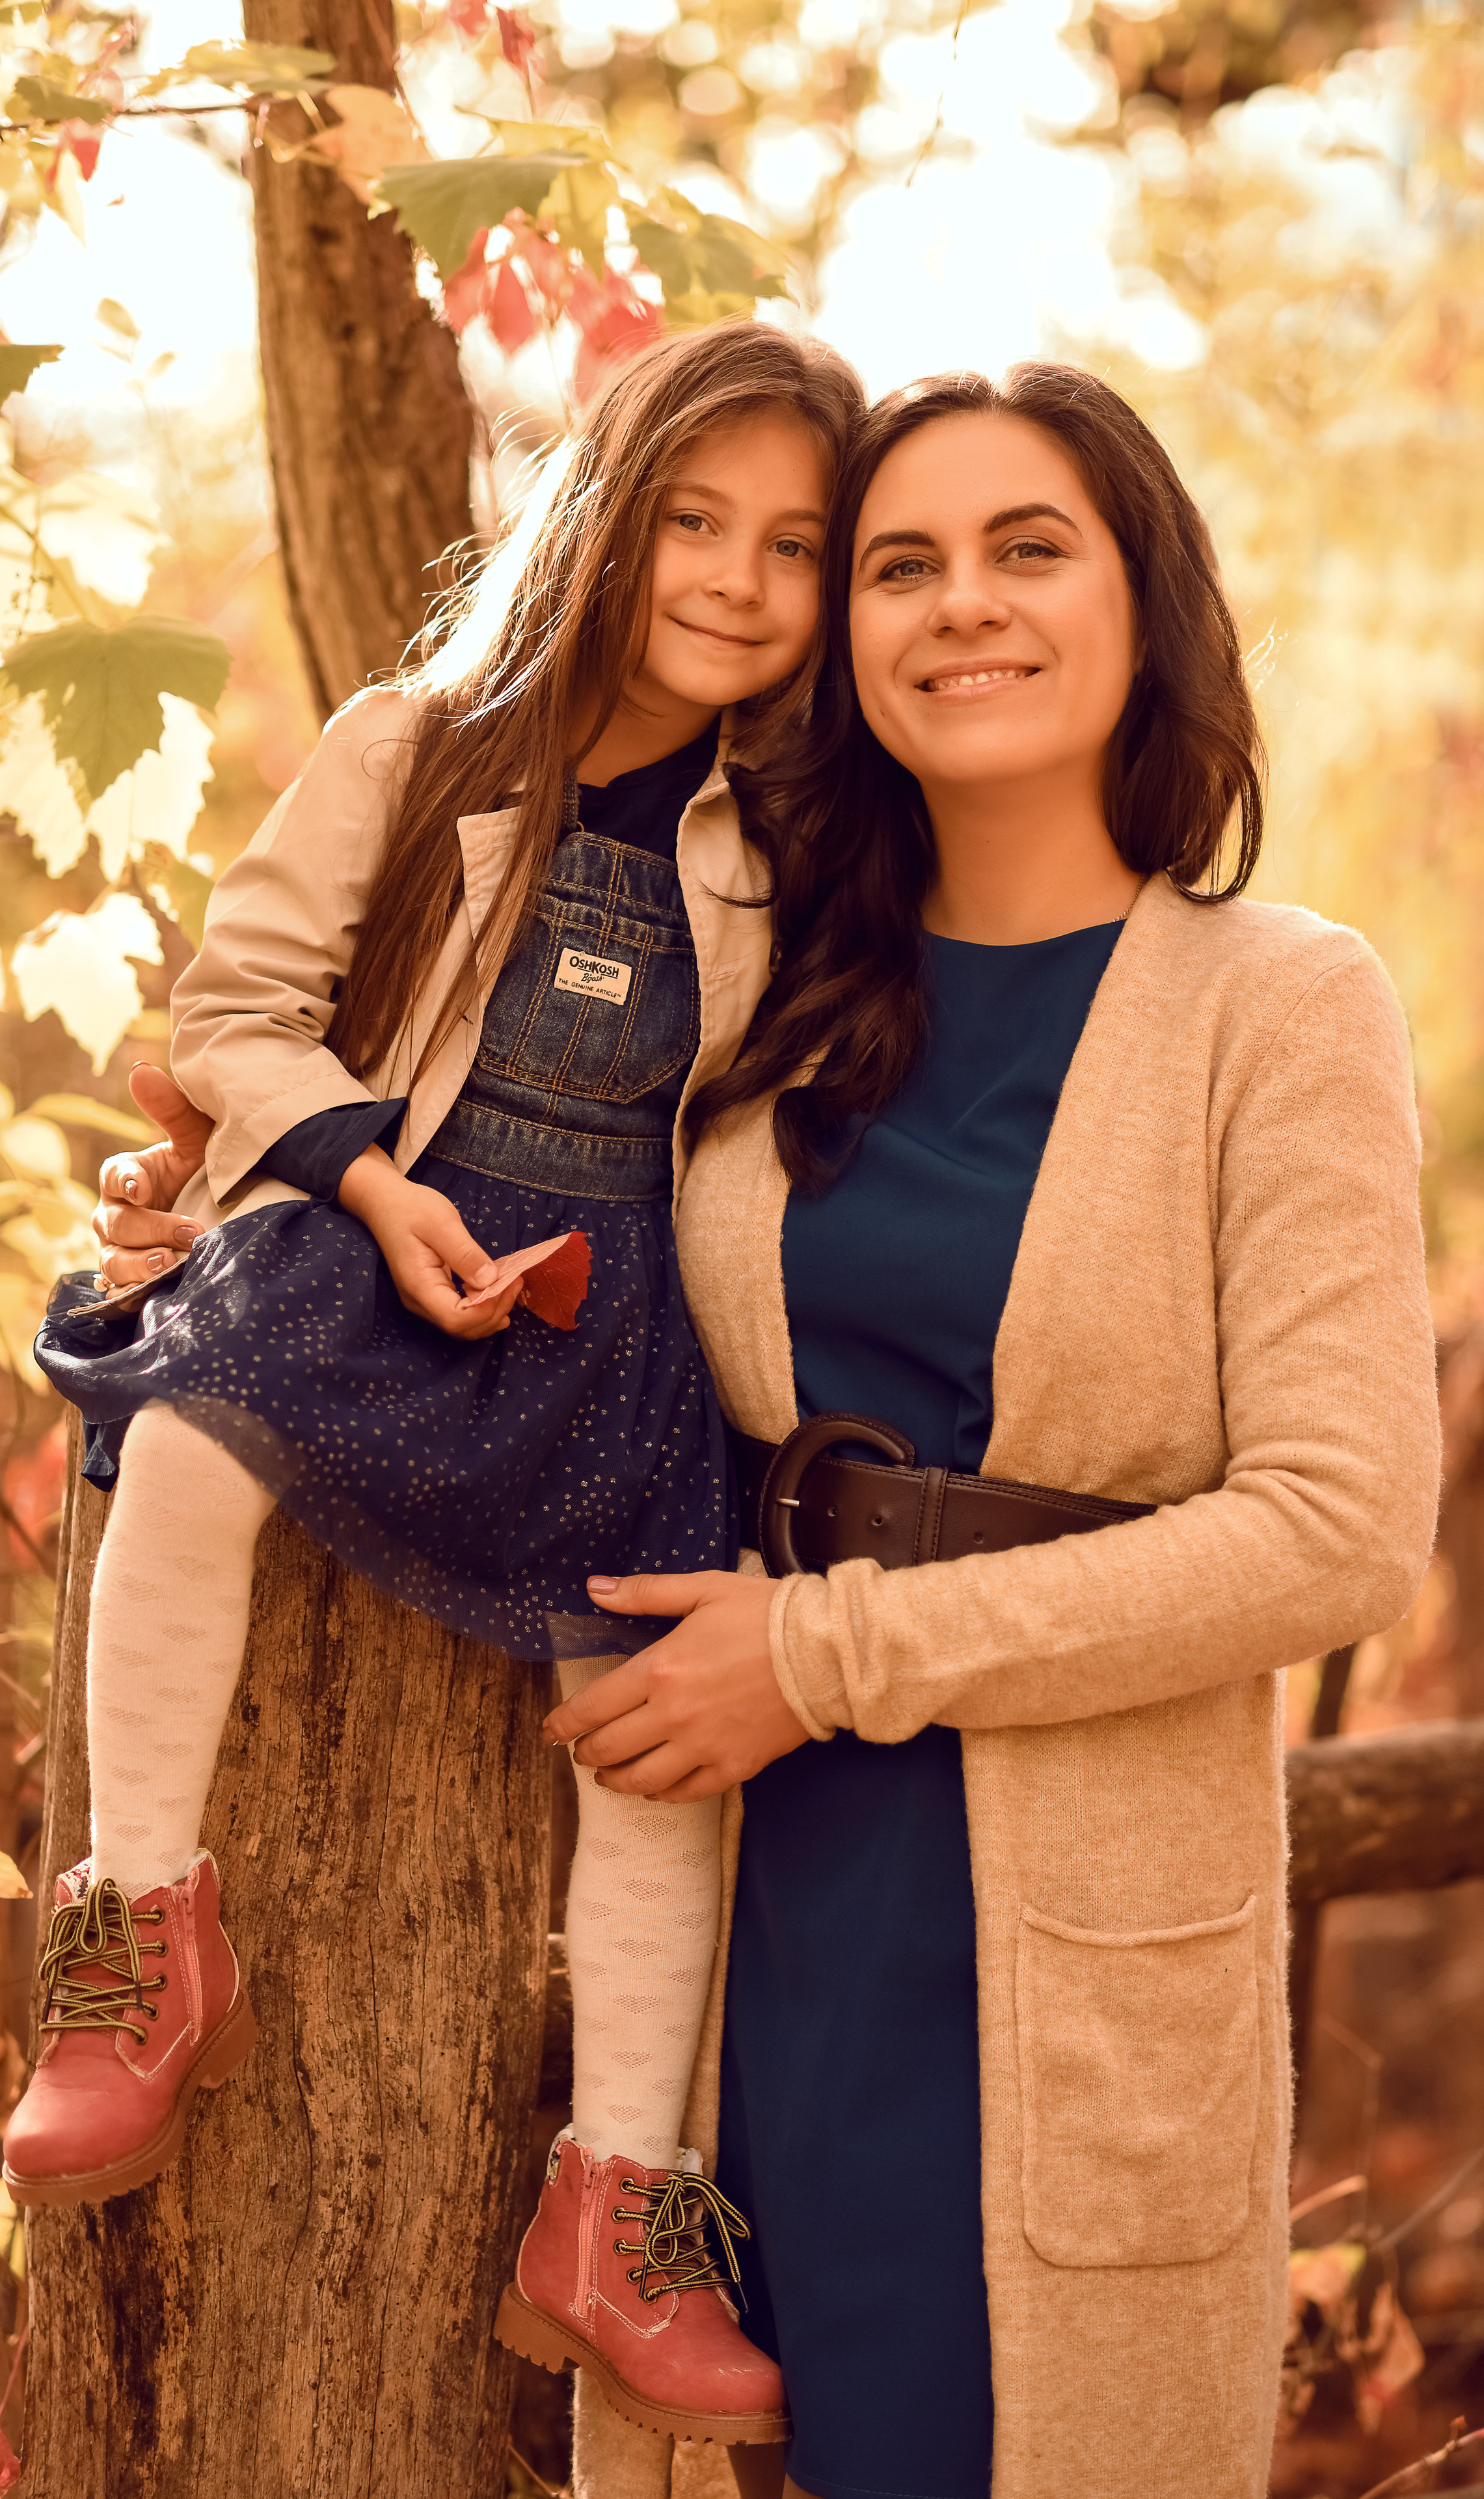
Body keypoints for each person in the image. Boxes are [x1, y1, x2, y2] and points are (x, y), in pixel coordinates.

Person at [537, 366, 1444, 2499]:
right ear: (844, 638)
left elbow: (1337, 1532)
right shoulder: (758, 975)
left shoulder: (1280, 1003)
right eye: (901, 565)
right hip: (758, 1908)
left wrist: (829, 1660)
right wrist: (220, 1185)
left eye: (1029, 550)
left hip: (1076, 1938)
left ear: (1143, 602)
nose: (965, 606)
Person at [16, 319, 863, 2457]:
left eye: (796, 546)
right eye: (697, 521)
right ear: (608, 510)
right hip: (378, 1236)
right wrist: (368, 1188)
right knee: (189, 1440)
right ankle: (140, 1930)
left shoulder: (812, 848)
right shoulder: (422, 749)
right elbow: (236, 1011)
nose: (740, 582)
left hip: (627, 1332)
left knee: (653, 1729)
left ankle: (622, 2201)